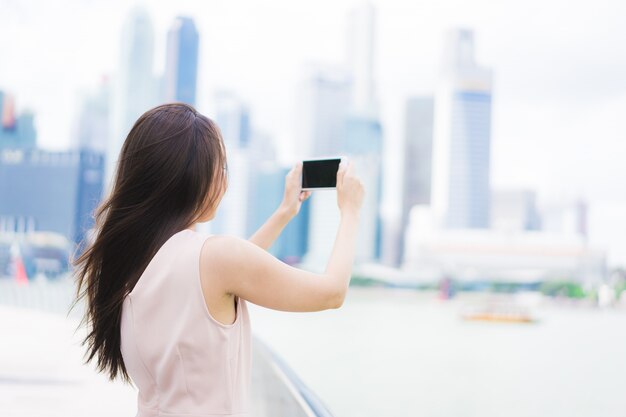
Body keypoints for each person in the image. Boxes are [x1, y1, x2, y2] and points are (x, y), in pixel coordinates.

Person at [69, 102, 364, 417]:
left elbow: (224, 278)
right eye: (222, 167)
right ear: (192, 177)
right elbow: (332, 292)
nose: (225, 182)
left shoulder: (132, 262)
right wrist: (351, 211)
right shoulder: (213, 259)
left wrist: (284, 213)